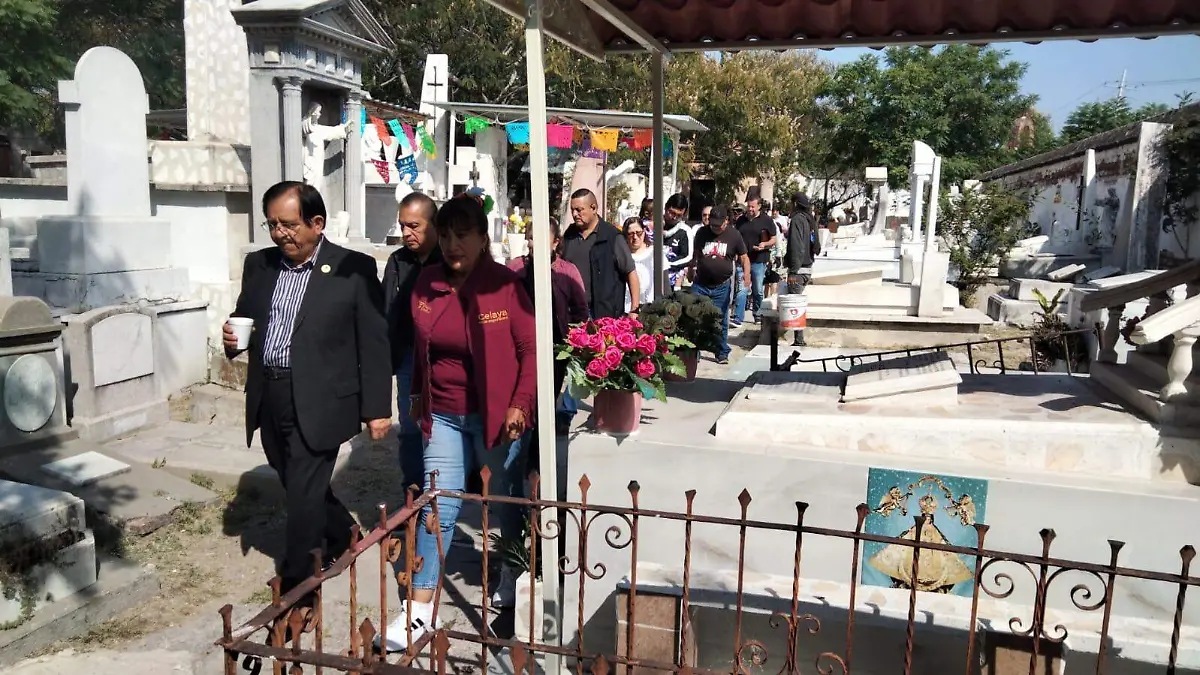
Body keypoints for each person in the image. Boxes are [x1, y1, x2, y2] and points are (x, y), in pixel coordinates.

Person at [222, 181, 391, 607]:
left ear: (317, 223)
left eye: (290, 224)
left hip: (321, 400)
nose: (281, 234)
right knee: (293, 478)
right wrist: (233, 337)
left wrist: (377, 410)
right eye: (273, 224)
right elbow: (246, 317)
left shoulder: (352, 268)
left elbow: (373, 342)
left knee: (300, 498)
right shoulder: (260, 266)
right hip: (271, 392)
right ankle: (342, 533)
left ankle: (299, 590)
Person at [380, 195, 537, 651]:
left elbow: (530, 352)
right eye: (445, 234)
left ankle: (511, 569)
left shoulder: (504, 286)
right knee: (439, 506)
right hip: (444, 414)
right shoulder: (426, 284)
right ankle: (419, 611)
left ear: (483, 238)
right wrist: (415, 396)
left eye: (462, 235)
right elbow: (423, 352)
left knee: (505, 500)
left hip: (498, 415)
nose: (452, 244)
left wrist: (520, 405)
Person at [508, 216, 587, 437]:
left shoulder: (567, 272)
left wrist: (575, 344)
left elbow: (580, 312)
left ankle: (538, 458)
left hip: (554, 350)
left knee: (545, 404)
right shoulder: (515, 268)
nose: (534, 243)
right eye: (531, 238)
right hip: (518, 350)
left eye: (541, 238)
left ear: (555, 242)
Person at [382, 192, 442, 487]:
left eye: (414, 226)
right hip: (408, 357)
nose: (406, 233)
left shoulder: (450, 258)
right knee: (410, 426)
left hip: (446, 359)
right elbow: (387, 310)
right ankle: (413, 491)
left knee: (444, 426)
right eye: (403, 225)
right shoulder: (397, 261)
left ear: (434, 224)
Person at [562, 188, 640, 319]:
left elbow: (630, 272)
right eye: (572, 210)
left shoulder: (612, 236)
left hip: (605, 315)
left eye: (579, 210)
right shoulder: (569, 236)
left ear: (593, 208)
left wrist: (634, 309)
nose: (575, 214)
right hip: (574, 313)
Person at [688, 205, 749, 365]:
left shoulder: (734, 235)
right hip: (701, 283)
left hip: (722, 286)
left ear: (726, 221)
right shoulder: (702, 233)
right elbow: (696, 253)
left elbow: (744, 257)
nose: (714, 228)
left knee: (720, 319)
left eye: (718, 225)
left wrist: (747, 278)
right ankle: (694, 351)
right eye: (712, 224)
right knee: (695, 318)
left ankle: (721, 352)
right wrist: (690, 269)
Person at [732, 196, 776, 325]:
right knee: (742, 288)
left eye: (753, 207)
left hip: (759, 259)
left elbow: (774, 239)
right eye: (748, 206)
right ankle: (738, 317)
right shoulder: (741, 221)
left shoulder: (767, 220)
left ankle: (757, 314)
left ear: (758, 206)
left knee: (758, 289)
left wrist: (764, 244)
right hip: (743, 259)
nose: (750, 209)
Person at [785, 192, 820, 347]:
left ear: (796, 204)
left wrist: (793, 271)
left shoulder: (797, 220)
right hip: (808, 268)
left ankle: (799, 340)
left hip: (798, 271)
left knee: (795, 306)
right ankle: (798, 339)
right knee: (798, 303)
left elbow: (796, 246)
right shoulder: (809, 219)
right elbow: (817, 246)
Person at [623, 217, 658, 312]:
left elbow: (665, 286)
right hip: (626, 310)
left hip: (650, 311)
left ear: (644, 232)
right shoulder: (621, 256)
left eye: (638, 233)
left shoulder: (655, 254)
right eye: (630, 234)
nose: (635, 237)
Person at [662, 193, 692, 290]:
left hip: (672, 283)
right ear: (666, 207)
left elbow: (687, 257)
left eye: (679, 215)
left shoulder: (685, 231)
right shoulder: (652, 225)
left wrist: (666, 264)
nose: (674, 217)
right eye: (672, 213)